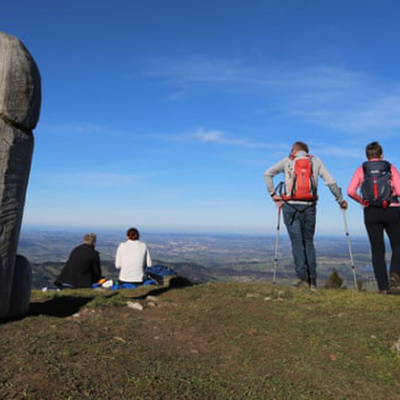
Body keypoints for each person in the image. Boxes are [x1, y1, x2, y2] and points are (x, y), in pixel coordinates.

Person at [264, 141, 348, 289]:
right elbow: (331, 182)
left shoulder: (287, 161)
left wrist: (273, 194)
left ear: (294, 151)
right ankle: (313, 281)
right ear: (306, 152)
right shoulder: (315, 162)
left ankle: (303, 280)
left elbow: (267, 173)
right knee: (308, 242)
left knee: (297, 243)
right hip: (310, 207)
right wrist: (340, 200)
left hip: (290, 207)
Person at [348, 141, 400, 294]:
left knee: (377, 250)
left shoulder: (361, 170)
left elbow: (351, 191)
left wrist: (362, 201)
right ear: (381, 155)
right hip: (392, 210)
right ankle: (395, 276)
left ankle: (383, 288)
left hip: (371, 212)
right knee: (398, 245)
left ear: (367, 156)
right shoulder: (390, 168)